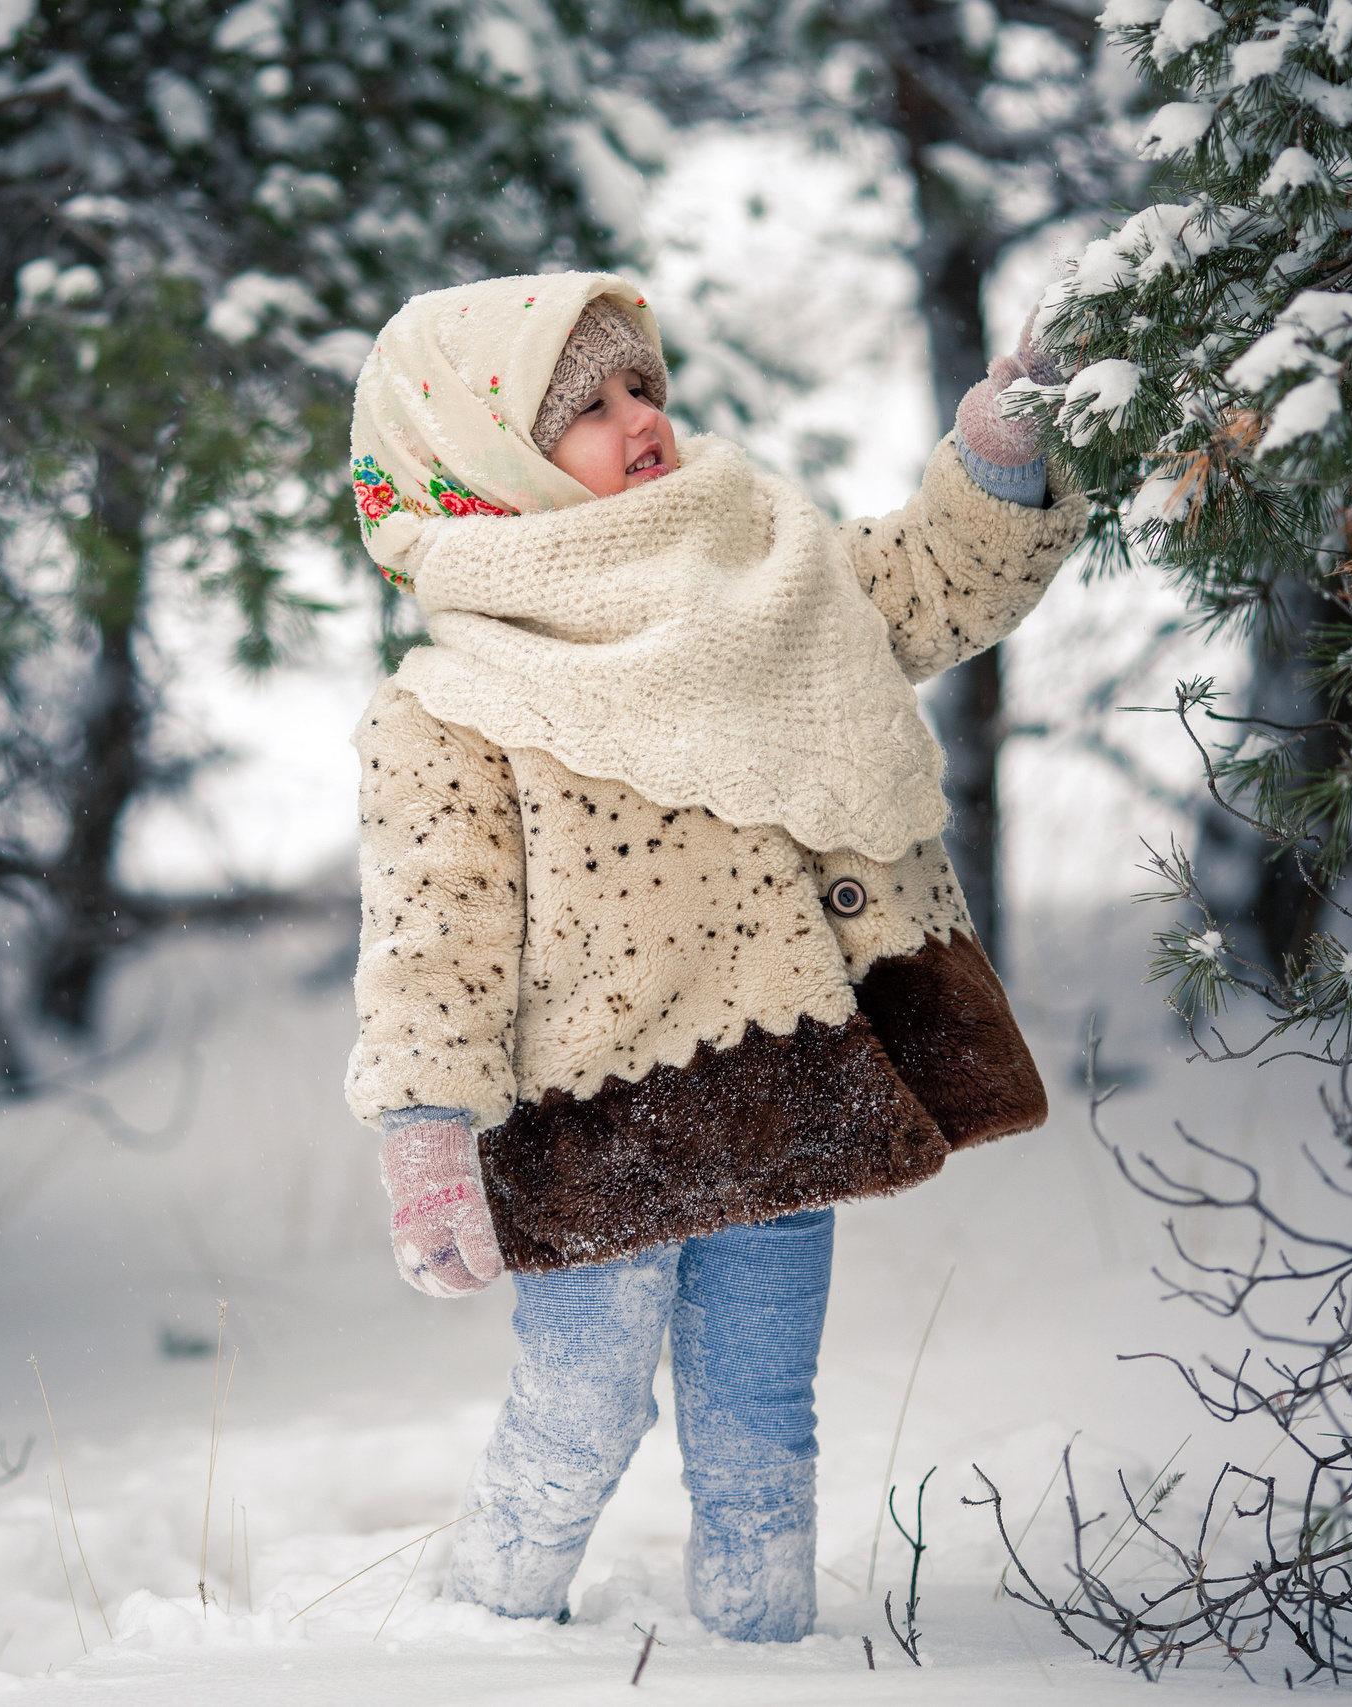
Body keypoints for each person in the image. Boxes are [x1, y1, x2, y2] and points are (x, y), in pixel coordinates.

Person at [341, 271, 1083, 1641]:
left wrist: (1004, 439)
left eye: (645, 386)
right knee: (581, 1403)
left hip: (784, 1085)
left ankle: (764, 1642)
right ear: (488, 458)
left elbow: (937, 578)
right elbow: (433, 934)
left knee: (760, 1413)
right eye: (588, 408)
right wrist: (426, 1124)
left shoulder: (769, 579)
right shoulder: (451, 704)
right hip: (595, 1122)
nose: (641, 419)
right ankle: (482, 1638)